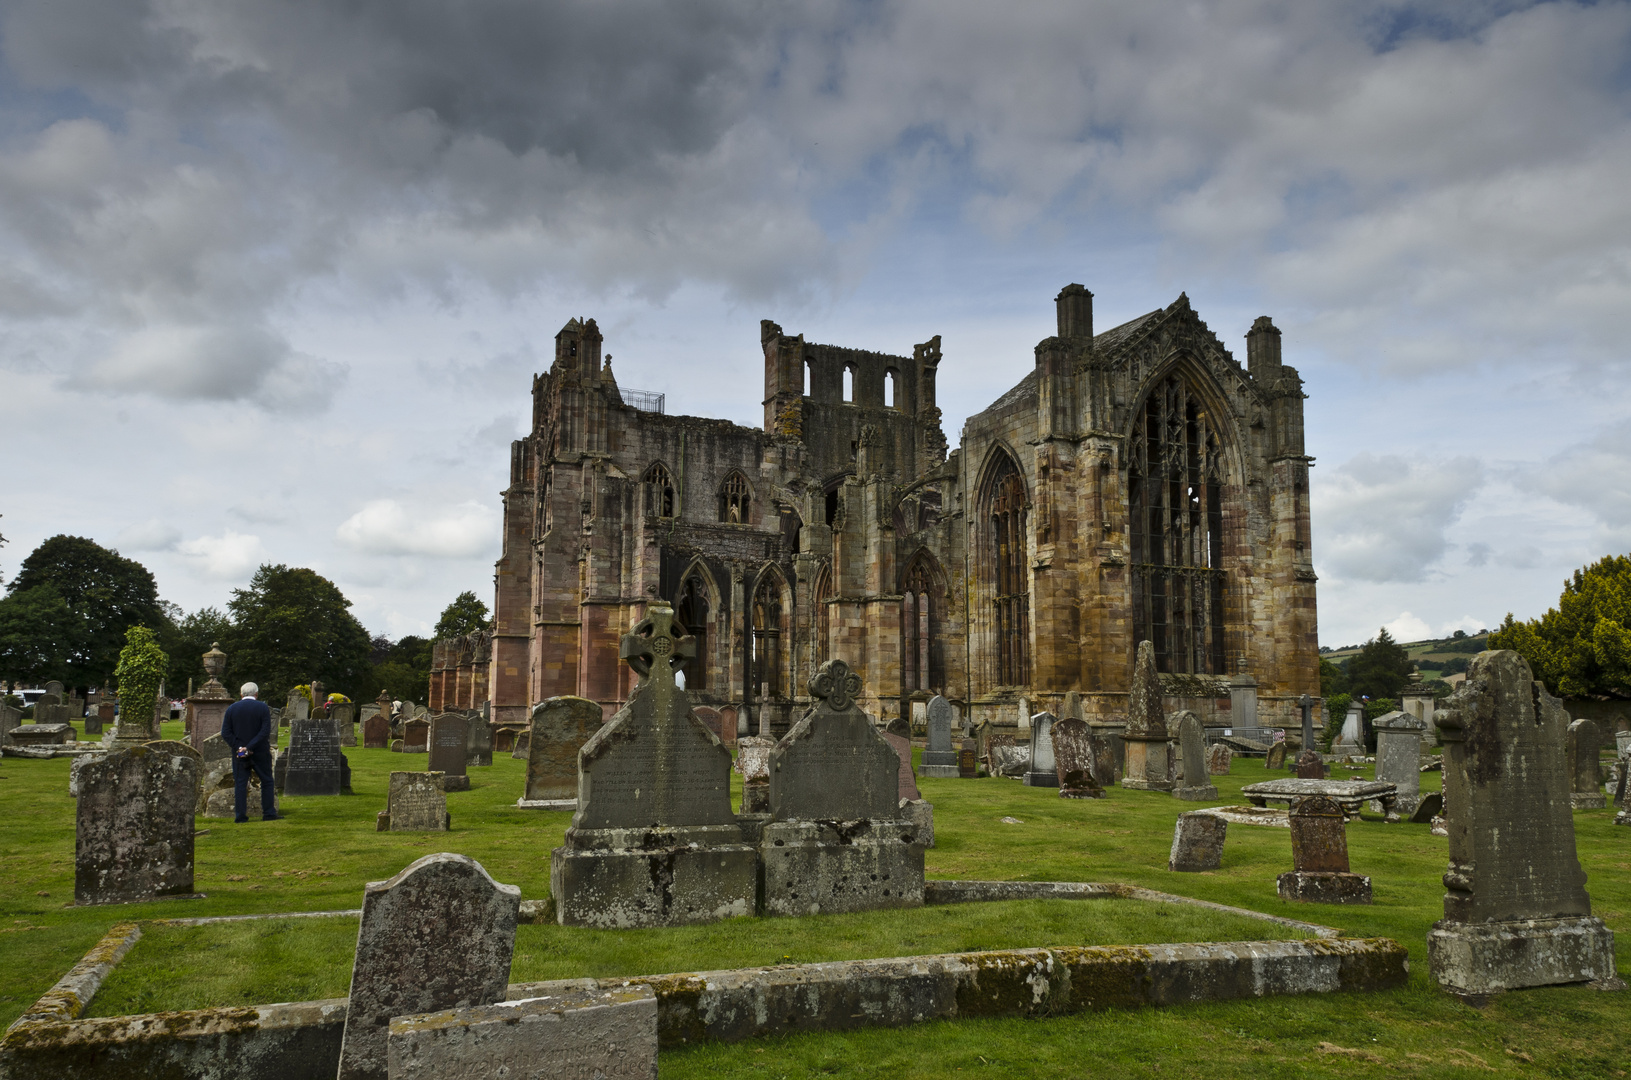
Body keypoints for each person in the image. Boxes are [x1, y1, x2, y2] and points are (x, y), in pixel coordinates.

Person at [221, 681, 279, 822]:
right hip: (259, 751)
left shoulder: (232, 709)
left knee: (241, 783)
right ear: (256, 694)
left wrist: (240, 747)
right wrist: (250, 747)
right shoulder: (262, 707)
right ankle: (269, 814)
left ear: (241, 694)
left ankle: (240, 816)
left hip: (240, 753)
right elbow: (264, 731)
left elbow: (225, 732)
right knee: (266, 781)